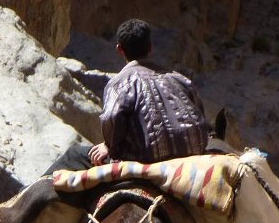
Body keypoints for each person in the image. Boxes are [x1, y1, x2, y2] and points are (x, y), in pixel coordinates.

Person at [87, 18, 210, 166]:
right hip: (194, 152)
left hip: (148, 157)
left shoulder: (119, 83)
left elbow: (111, 117)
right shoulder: (180, 79)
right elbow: (199, 113)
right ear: (150, 47)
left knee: (75, 155)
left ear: (119, 49)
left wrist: (109, 145)